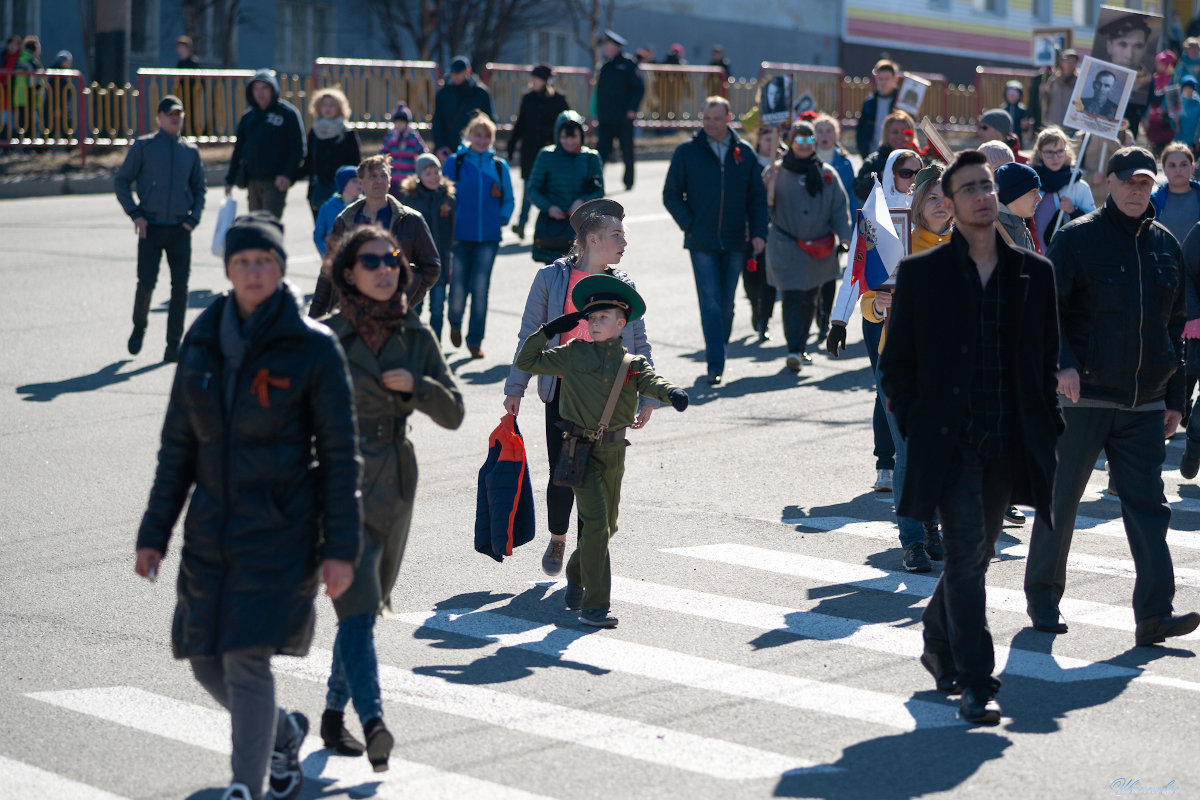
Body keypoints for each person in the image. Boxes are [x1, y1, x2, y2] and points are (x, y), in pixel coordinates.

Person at [134, 212, 362, 800]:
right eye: (242, 263)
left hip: (283, 529)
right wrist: (154, 532)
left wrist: (340, 549)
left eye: (264, 261)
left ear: (281, 268)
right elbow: (177, 444)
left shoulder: (312, 348)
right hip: (212, 529)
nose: (253, 272)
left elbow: (341, 456)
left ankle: (245, 786)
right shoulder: (203, 339)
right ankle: (283, 732)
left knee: (244, 658)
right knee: (203, 656)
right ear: (229, 270)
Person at [879, 149, 1062, 725]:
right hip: (951, 445)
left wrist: (1044, 430)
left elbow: (1044, 363)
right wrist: (920, 431)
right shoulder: (921, 274)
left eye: (988, 184)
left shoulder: (1035, 273)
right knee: (963, 557)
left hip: (1007, 444)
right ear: (951, 205)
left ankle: (936, 641)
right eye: (969, 188)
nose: (983, 194)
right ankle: (976, 680)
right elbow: (897, 370)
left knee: (975, 557)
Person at [1024, 146, 1200, 648]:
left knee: (1149, 509)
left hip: (1144, 403)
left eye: (1145, 183)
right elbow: (1045, 309)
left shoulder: (1166, 245)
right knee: (1061, 501)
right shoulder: (1077, 239)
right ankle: (1042, 597)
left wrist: (1174, 399)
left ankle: (1155, 616)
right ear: (1107, 183)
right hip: (1083, 400)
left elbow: (1173, 329)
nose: (1136, 191)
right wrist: (1060, 364)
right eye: (1128, 182)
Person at [318, 225, 464, 770]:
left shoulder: (416, 335)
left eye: (392, 259)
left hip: (398, 483)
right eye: (370, 261)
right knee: (355, 613)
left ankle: (332, 716)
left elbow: (454, 413)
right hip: (338, 481)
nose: (384, 268)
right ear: (348, 272)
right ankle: (374, 722)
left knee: (362, 612)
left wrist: (418, 389)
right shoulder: (326, 338)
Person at [514, 273, 689, 628]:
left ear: (622, 323)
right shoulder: (573, 353)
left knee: (607, 528)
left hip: (614, 454)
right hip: (579, 451)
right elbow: (527, 361)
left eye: (603, 318)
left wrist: (671, 393)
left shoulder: (631, 364)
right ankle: (595, 606)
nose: (594, 323)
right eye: (590, 318)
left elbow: (652, 379)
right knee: (594, 524)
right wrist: (550, 329)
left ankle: (577, 574)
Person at [504, 198, 660, 579]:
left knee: (598, 485)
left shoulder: (624, 286)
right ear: (591, 240)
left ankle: (581, 564)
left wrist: (648, 394)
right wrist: (516, 387)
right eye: (616, 235)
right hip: (561, 392)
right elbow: (530, 335)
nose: (624, 242)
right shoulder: (550, 279)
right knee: (564, 474)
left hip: (609, 400)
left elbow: (639, 343)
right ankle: (558, 537)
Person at [859, 155, 944, 572]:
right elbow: (868, 301)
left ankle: (931, 524)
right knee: (909, 453)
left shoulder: (968, 245)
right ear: (919, 203)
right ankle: (911, 541)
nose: (942, 205)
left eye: (949, 198)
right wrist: (878, 302)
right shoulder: (897, 241)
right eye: (934, 198)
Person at [663, 96, 769, 385]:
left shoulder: (744, 153)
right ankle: (715, 362)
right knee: (710, 302)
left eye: (716, 118)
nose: (711, 124)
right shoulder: (687, 152)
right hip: (701, 241)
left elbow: (757, 200)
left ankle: (719, 348)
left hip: (736, 240)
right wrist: (690, 224)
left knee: (726, 304)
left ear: (728, 118)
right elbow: (671, 194)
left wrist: (759, 233)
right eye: (707, 118)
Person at [114, 94, 206, 363]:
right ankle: (139, 326)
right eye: (169, 114)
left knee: (180, 288)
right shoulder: (144, 147)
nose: (175, 118)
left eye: (179, 113)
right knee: (146, 283)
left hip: (180, 228)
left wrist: (193, 219)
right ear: (159, 118)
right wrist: (136, 214)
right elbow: (122, 182)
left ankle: (173, 344)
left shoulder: (190, 151)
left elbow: (200, 188)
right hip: (150, 227)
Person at [763, 118, 852, 373]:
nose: (804, 145)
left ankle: (801, 347)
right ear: (790, 142)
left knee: (810, 299)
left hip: (819, 248)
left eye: (809, 139)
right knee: (791, 297)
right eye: (799, 140)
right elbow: (763, 206)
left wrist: (845, 237)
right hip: (786, 245)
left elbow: (839, 209)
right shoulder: (776, 171)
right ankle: (793, 348)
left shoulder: (826, 174)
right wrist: (765, 184)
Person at [311, 155, 442, 316]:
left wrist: (407, 298)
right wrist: (315, 314)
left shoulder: (411, 220)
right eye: (373, 177)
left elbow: (431, 266)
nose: (379, 180)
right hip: (351, 310)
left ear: (390, 180)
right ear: (361, 183)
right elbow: (328, 270)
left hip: (392, 312)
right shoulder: (345, 221)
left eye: (383, 176)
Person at [442, 112, 514, 358]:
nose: (482, 140)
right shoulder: (455, 162)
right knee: (459, 287)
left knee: (480, 288)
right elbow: (444, 195)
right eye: (477, 134)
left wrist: (501, 218)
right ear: (468, 135)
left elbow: (509, 198)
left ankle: (475, 340)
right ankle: (454, 322)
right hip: (460, 235)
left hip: (489, 238)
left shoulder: (498, 165)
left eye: (486, 136)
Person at [525, 110, 604, 265]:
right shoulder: (546, 155)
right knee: (554, 280)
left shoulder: (590, 157)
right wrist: (549, 207)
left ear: (581, 135)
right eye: (564, 137)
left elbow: (599, 190)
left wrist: (582, 202)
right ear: (557, 136)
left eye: (573, 136)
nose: (569, 142)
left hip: (582, 228)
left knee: (580, 280)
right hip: (553, 228)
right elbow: (533, 189)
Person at [225, 69, 306, 219]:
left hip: (275, 182)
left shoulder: (287, 114)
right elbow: (238, 150)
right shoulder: (249, 117)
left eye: (264, 88)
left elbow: (298, 149)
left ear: (273, 89)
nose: (260, 93)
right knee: (255, 226)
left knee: (269, 226)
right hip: (253, 180)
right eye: (256, 88)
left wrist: (287, 175)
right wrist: (230, 180)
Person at [507, 64, 571, 239]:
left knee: (550, 190)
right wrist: (512, 145)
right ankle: (521, 224)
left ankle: (554, 226)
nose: (533, 82)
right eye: (532, 79)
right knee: (529, 188)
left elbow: (567, 125)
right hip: (529, 151)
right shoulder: (528, 99)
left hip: (550, 152)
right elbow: (521, 123)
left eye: (536, 79)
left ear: (545, 81)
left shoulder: (559, 100)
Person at [399, 153, 456, 340]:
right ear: (418, 176)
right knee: (414, 308)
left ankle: (435, 348)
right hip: (417, 265)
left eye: (436, 171)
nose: (433, 177)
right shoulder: (410, 199)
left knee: (438, 310)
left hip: (440, 263)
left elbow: (453, 233)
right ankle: (412, 348)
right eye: (428, 173)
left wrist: (451, 259)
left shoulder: (448, 199)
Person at [1030, 126, 1095, 253]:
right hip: (1034, 257)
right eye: (1049, 152)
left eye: (1060, 151)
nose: (1055, 157)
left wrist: (1073, 211)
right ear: (1039, 153)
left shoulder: (1079, 186)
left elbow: (1093, 227)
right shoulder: (1030, 184)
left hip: (1067, 259)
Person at [301, 87, 361, 220]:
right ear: (318, 107)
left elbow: (356, 163)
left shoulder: (348, 133)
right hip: (318, 188)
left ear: (339, 108)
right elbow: (309, 161)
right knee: (322, 230)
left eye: (332, 105)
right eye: (324, 105)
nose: (328, 108)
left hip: (343, 191)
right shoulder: (315, 132)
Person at [594, 30, 644, 191]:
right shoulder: (606, 66)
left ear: (616, 47)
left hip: (623, 116)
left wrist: (632, 109)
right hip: (606, 117)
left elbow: (638, 89)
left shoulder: (629, 65)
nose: (605, 48)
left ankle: (628, 181)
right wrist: (596, 113)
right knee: (601, 151)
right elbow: (600, 93)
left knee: (626, 150)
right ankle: (597, 182)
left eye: (608, 45)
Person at [745, 123, 782, 342]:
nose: (770, 143)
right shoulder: (749, 162)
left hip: (775, 228)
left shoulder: (782, 164)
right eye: (767, 139)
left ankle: (764, 320)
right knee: (750, 276)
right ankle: (754, 305)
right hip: (751, 228)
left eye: (774, 139)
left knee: (769, 278)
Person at [431, 55, 493, 161]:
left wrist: (484, 144)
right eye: (453, 73)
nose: (455, 76)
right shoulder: (443, 94)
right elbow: (437, 121)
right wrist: (440, 146)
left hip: (474, 148)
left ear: (468, 71)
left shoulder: (481, 93)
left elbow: (488, 121)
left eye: (459, 72)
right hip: (448, 149)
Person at [853, 109, 917, 202]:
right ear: (886, 135)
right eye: (895, 132)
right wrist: (882, 176)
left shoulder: (921, 159)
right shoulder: (875, 160)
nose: (900, 136)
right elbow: (858, 189)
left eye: (905, 132)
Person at [1151, 141, 1200, 246]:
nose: (1178, 170)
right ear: (1164, 169)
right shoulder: (1152, 201)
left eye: (1183, 164)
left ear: (1192, 167)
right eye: (1172, 165)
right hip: (1164, 261)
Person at [993, 161, 1042, 252]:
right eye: (1033, 191)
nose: (1039, 198)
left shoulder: (1020, 226)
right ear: (1013, 194)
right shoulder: (988, 234)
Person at [313, 165, 361, 257]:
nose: (359, 184)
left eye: (361, 181)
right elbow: (318, 235)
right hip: (335, 259)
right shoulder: (327, 207)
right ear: (343, 183)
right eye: (354, 181)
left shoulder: (365, 205)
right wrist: (326, 255)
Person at [380, 101, 426, 196]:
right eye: (397, 122)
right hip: (393, 178)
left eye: (402, 122)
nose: (399, 124)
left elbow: (423, 153)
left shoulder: (413, 137)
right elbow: (382, 154)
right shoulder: (390, 138)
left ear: (407, 123)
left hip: (408, 178)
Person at [856, 59, 900, 157]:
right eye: (881, 78)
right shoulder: (869, 102)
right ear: (876, 79)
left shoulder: (901, 103)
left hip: (895, 155)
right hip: (874, 154)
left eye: (887, 78)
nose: (884, 82)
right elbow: (861, 130)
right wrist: (864, 152)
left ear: (895, 79)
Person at [1043, 50, 1079, 135]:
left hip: (1072, 128)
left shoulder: (1079, 82)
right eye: (1067, 61)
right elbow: (1045, 103)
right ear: (1062, 62)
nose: (1069, 64)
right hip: (1053, 126)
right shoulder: (1053, 80)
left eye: (1073, 61)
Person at [1173, 75, 1200, 146]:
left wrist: (1196, 140)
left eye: (1190, 88)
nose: (1188, 90)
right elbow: (1176, 127)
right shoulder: (1178, 102)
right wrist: (1176, 122)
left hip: (1193, 141)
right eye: (1186, 88)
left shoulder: (1198, 104)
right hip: (1179, 140)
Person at [1002, 81, 1029, 148]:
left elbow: (1025, 127)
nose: (1012, 97)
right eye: (1010, 95)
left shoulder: (1022, 109)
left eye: (1014, 95)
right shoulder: (1003, 109)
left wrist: (1026, 126)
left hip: (1018, 136)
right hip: (1005, 137)